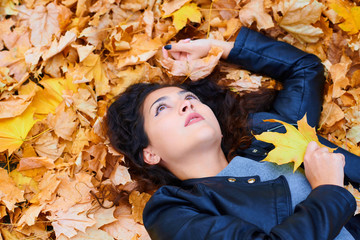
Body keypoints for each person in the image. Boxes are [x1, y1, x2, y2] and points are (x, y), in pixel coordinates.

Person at [106, 27, 360, 239]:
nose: (188, 104)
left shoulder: (265, 132)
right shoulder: (172, 212)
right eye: (161, 109)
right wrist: (328, 191)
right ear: (149, 153)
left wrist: (215, 48)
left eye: (190, 97)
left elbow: (305, 70)